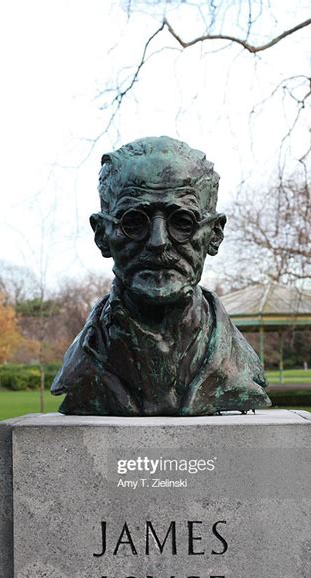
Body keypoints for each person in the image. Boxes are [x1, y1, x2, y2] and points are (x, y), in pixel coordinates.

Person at [51, 136, 270, 416]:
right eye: (133, 221)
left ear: (214, 235)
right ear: (102, 235)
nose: (158, 242)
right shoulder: (85, 361)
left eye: (182, 222)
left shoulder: (237, 366)